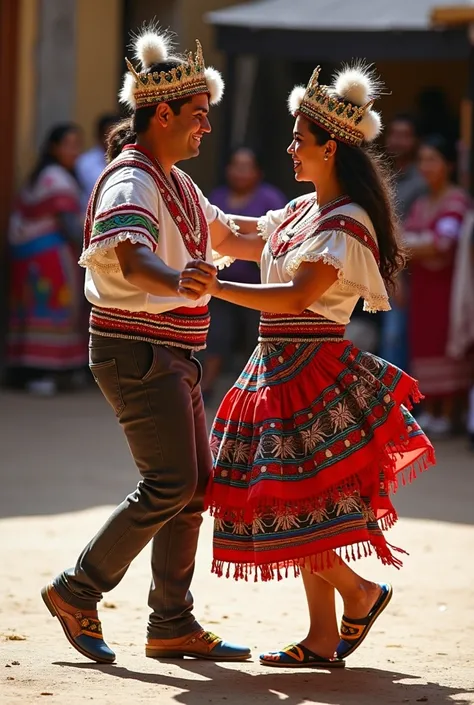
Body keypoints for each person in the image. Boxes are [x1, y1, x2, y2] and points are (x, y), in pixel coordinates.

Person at [180, 63, 435, 668]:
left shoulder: (348, 223)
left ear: (332, 147)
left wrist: (215, 289)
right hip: (280, 369)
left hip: (310, 373)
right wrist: (179, 196)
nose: (291, 148)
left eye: (300, 139)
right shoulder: (300, 212)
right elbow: (241, 236)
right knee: (302, 505)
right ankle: (325, 635)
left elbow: (296, 296)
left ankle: (360, 593)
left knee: (293, 503)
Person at [41, 27, 253, 665]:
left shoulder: (178, 185)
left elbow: (235, 233)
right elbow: (130, 260)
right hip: (136, 348)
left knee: (193, 487)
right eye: (198, 116)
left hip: (168, 353)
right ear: (162, 113)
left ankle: (171, 623)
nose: (205, 129)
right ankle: (79, 590)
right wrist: (178, 279)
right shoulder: (129, 179)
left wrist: (316, 224)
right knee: (170, 482)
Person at [6, 123, 87, 396]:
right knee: (51, 313)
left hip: (34, 258)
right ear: (54, 147)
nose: (74, 151)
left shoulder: (48, 175)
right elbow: (69, 224)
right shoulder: (56, 178)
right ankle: (42, 371)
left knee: (36, 314)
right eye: (69, 145)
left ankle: (45, 371)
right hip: (47, 259)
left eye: (77, 145)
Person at [202, 147, 286, 400]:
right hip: (219, 285)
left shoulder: (271, 199)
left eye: (246, 166)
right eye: (236, 166)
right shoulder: (217, 197)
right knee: (216, 336)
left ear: (257, 172)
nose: (240, 172)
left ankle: (258, 392)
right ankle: (206, 386)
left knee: (257, 339)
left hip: (260, 289)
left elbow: (279, 239)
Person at [405, 134, 472, 438]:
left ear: (448, 164)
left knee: (448, 341)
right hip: (422, 288)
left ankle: (449, 413)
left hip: (450, 289)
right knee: (424, 342)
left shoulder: (458, 201)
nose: (426, 166)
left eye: (433, 159)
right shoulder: (420, 204)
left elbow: (442, 245)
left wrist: (409, 246)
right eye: (423, 160)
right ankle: (430, 411)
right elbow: (404, 243)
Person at [380, 114, 426, 370]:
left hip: (405, 272)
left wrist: (397, 275)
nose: (397, 141)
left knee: (396, 339)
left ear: (415, 141)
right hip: (378, 270)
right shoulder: (381, 174)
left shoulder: (421, 182)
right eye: (393, 134)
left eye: (405, 135)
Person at [76, 113, 120, 210]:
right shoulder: (85, 161)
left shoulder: (127, 157)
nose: (115, 139)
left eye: (118, 134)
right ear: (100, 136)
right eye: (110, 134)